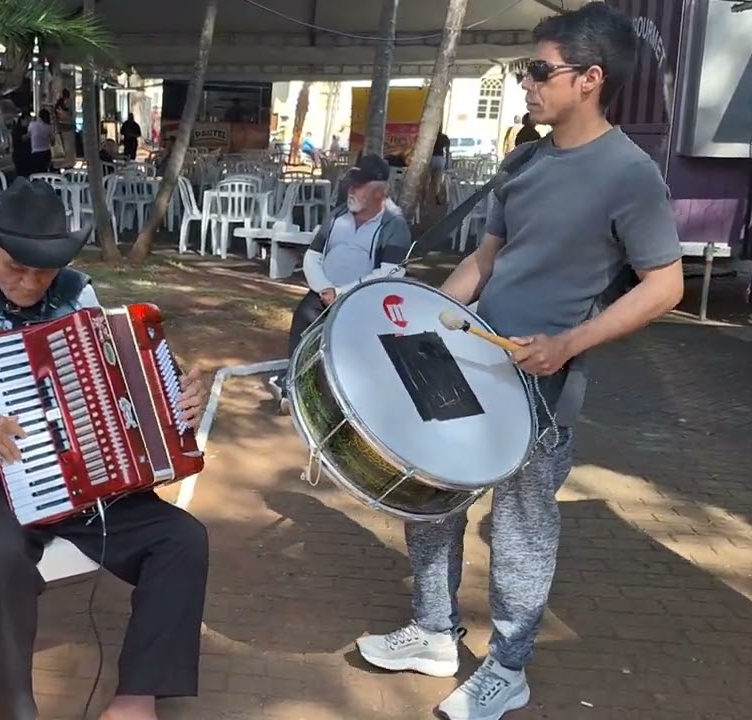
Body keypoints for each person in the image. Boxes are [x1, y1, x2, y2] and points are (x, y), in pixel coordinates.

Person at [353, 4, 685, 719]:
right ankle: (436, 632)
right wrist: (425, 325)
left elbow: (666, 285)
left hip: (542, 387)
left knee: (522, 531)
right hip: (472, 366)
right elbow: (485, 258)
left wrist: (569, 344)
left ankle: (508, 666)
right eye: (526, 70)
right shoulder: (525, 159)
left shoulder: (630, 174)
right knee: (431, 501)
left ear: (590, 79)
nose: (525, 83)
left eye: (539, 70)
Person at [0, 178, 211, 720]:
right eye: (15, 268)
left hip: (79, 470)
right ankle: (13, 705)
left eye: (41, 272)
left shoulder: (77, 295)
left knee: (182, 538)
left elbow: (116, 378)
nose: (28, 283)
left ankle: (136, 699)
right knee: (0, 557)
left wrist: (173, 395)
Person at [267, 154, 412, 413]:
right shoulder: (337, 216)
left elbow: (390, 273)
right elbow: (313, 255)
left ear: (380, 192)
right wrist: (324, 287)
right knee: (305, 314)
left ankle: (346, 394)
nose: (351, 190)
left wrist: (342, 293)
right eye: (351, 183)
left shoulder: (394, 225)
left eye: (359, 186)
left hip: (365, 298)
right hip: (324, 292)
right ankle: (293, 382)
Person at [28, 108, 55, 173]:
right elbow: (52, 143)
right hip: (46, 152)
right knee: (44, 171)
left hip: (35, 152)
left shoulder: (32, 125)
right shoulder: (49, 127)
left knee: (36, 171)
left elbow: (29, 135)